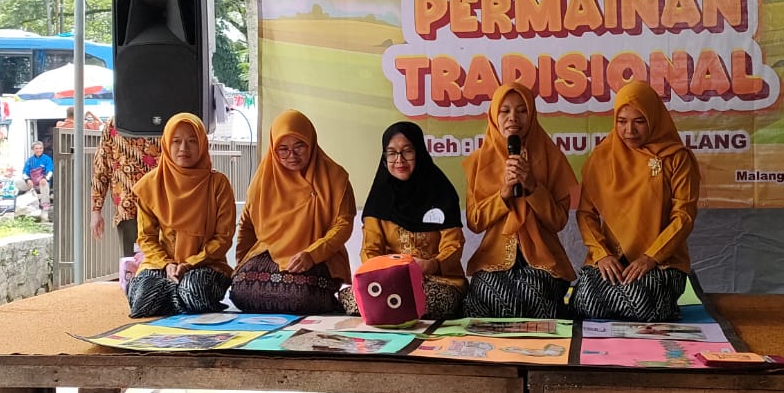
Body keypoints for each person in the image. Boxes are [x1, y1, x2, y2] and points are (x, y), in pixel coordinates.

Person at [573, 81, 701, 322]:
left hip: (661, 261)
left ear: (653, 118)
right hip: (613, 257)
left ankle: (652, 302)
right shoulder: (602, 157)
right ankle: (635, 301)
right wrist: (602, 254)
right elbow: (586, 213)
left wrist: (651, 257)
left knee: (641, 301)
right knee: (585, 301)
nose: (629, 130)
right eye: (622, 121)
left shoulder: (677, 158)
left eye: (639, 121)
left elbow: (683, 217)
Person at [461, 82, 578, 318]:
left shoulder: (552, 157)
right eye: (505, 111)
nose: (513, 118)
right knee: (486, 293)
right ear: (494, 116)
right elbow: (475, 222)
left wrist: (533, 187)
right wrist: (503, 194)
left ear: (532, 115)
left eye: (522, 110)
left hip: (542, 257)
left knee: (533, 294)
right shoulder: (478, 161)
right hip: (494, 256)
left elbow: (558, 221)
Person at [231, 110, 355, 314]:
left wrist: (312, 255)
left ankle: (326, 300)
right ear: (274, 149)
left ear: (311, 143)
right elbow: (247, 224)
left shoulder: (335, 177)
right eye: (283, 149)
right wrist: (243, 263)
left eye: (299, 146)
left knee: (302, 294)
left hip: (319, 255)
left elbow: (343, 226)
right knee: (240, 290)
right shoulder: (264, 179)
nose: (292, 155)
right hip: (270, 252)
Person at [338, 121, 465, 319]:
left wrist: (433, 264)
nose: (399, 160)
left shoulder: (441, 192)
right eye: (392, 153)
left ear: (419, 152)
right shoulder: (379, 198)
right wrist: (386, 273)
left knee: (429, 301)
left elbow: (454, 244)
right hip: (388, 280)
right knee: (352, 299)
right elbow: (370, 250)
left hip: (437, 279)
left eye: (407, 151)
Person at [126, 114, 235, 317]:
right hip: (161, 263)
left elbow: (223, 237)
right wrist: (167, 264)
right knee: (143, 304)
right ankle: (175, 295)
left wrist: (190, 263)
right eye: (176, 141)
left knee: (194, 292)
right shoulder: (151, 184)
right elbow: (146, 237)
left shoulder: (217, 184)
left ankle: (176, 295)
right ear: (166, 144)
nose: (183, 148)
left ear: (202, 144)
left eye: (192, 141)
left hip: (207, 265)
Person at [91, 123, 161, 255]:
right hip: (130, 208)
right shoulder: (113, 125)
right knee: (133, 261)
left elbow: (101, 168)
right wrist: (96, 210)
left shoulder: (163, 120)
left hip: (161, 208)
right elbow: (101, 168)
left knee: (164, 261)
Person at [21, 139, 54, 217]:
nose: (39, 150)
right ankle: (26, 201)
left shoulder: (47, 159)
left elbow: (50, 171)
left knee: (44, 184)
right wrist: (27, 180)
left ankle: (45, 203)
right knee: (18, 183)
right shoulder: (30, 160)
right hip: (32, 183)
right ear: (33, 149)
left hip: (42, 182)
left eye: (40, 148)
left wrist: (45, 178)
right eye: (36, 148)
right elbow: (24, 172)